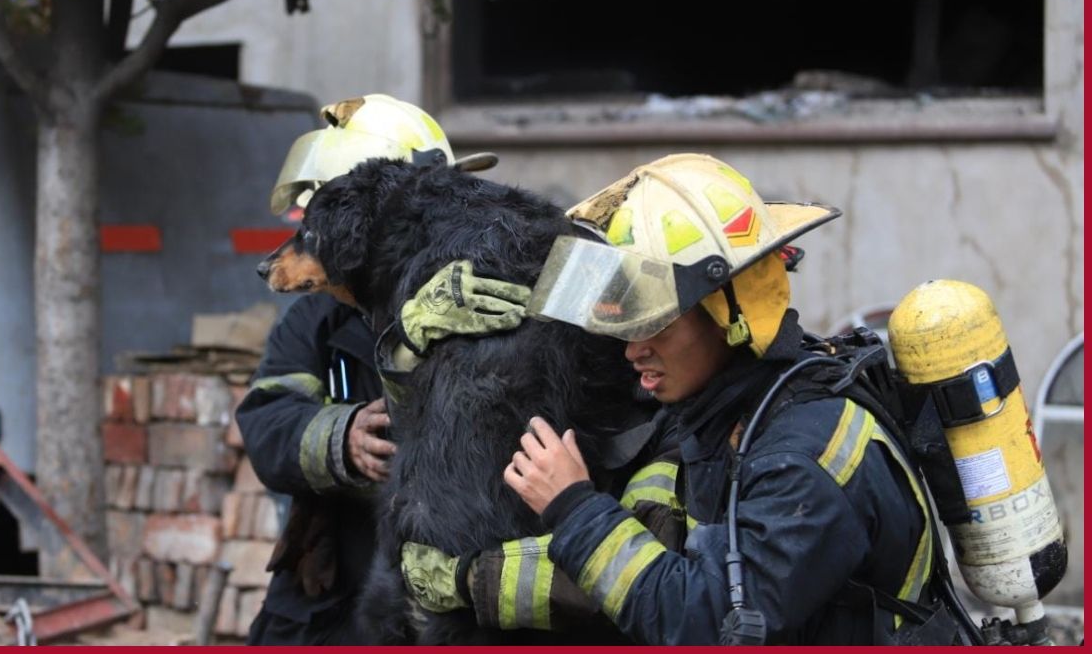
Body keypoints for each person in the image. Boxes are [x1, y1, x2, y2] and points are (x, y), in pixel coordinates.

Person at [499, 153, 968, 645]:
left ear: (730, 313)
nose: (633, 349)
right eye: (627, 323)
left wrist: (574, 507)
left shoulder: (806, 459)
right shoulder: (729, 414)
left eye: (655, 322)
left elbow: (707, 625)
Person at [237, 93, 500, 644]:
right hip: (336, 584)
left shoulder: (483, 303)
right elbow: (265, 421)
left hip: (457, 586)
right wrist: (342, 439)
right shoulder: (317, 319)